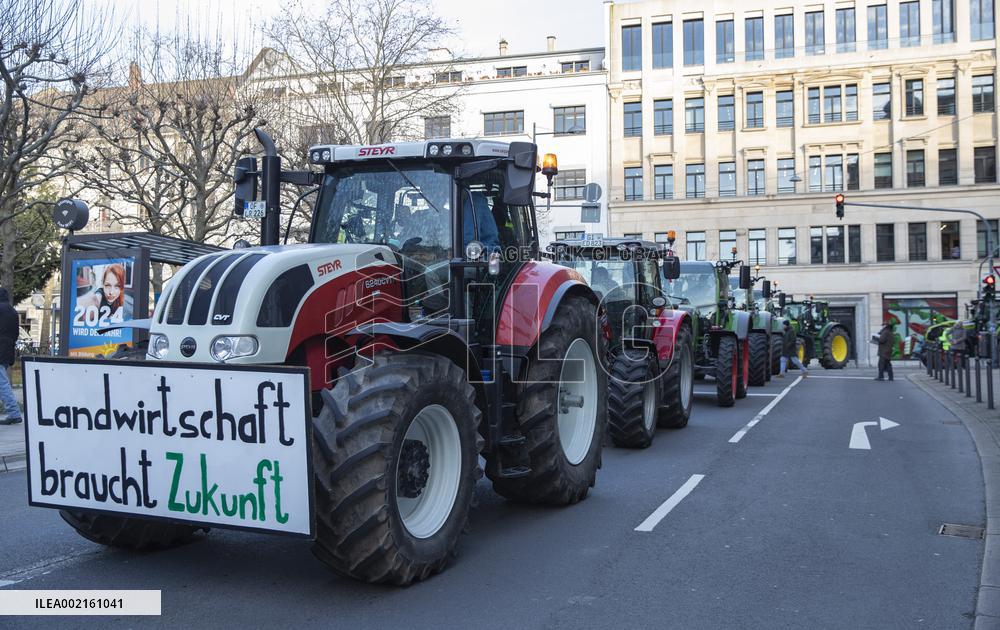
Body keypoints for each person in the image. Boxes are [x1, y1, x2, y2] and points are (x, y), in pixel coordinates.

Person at [0, 287, 23, 425]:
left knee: (2, 383)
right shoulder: (13, 311)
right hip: (7, 349)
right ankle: (13, 412)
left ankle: (14, 412)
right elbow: (15, 333)